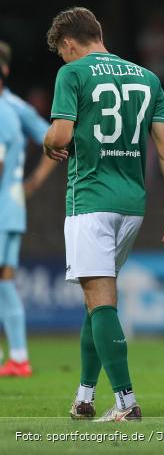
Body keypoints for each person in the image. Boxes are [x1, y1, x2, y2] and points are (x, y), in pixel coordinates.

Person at [43, 7, 164, 422]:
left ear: (70, 44)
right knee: (98, 302)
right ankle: (85, 396)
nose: (64, 60)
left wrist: (45, 142)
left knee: (101, 302)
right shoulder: (148, 78)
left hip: (90, 200)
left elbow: (61, 135)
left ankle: (126, 403)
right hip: (132, 206)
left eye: (62, 53)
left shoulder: (73, 74)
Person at [0, 41, 57, 378]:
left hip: (3, 206)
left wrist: (35, 180)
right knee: (5, 281)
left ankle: (18, 356)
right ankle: (19, 356)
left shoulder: (5, 109)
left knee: (5, 281)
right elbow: (54, 138)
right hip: (12, 205)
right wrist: (33, 182)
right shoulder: (16, 107)